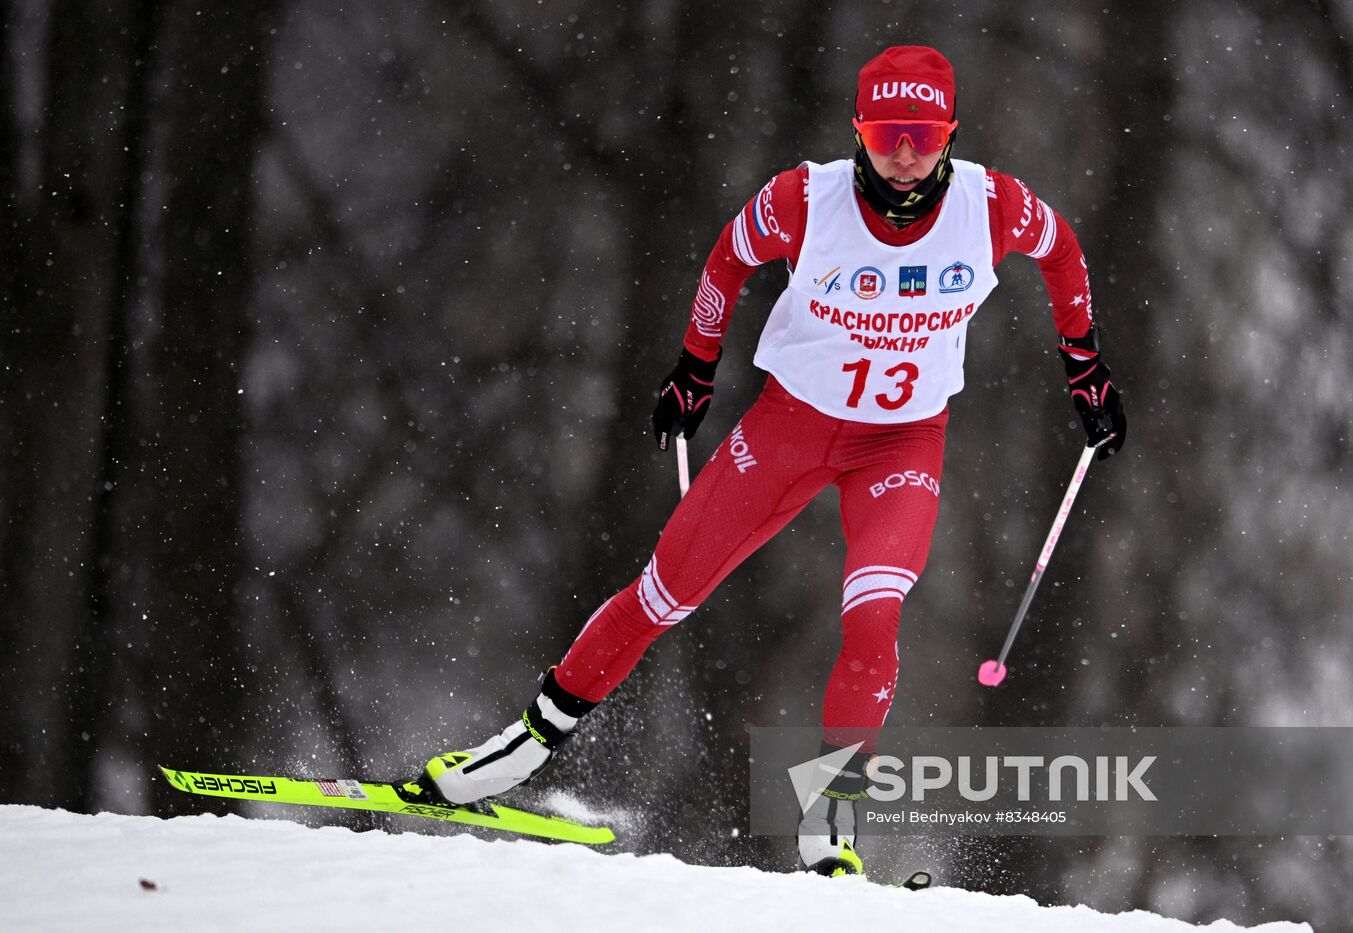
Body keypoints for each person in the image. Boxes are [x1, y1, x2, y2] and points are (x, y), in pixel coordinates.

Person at [415, 45, 1125, 877]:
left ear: (950, 135)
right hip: (792, 427)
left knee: (873, 620)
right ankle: (521, 750)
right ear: (859, 130)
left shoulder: (992, 205)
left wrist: (1085, 365)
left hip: (902, 442)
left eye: (923, 134)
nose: (905, 152)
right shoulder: (804, 199)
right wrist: (694, 368)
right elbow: (727, 260)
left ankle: (830, 827)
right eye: (888, 131)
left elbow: (1065, 251)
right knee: (662, 592)